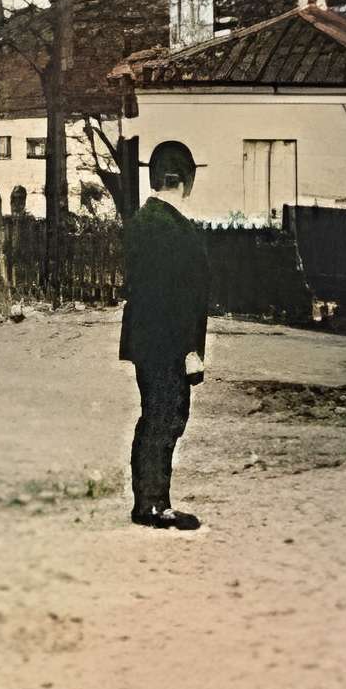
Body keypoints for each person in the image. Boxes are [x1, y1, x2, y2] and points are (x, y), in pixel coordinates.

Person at [119, 140, 211, 529]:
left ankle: (151, 500)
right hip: (166, 343)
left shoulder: (146, 221)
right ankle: (152, 504)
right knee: (165, 416)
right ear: (181, 180)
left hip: (150, 340)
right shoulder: (170, 229)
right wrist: (188, 350)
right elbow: (175, 296)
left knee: (157, 416)